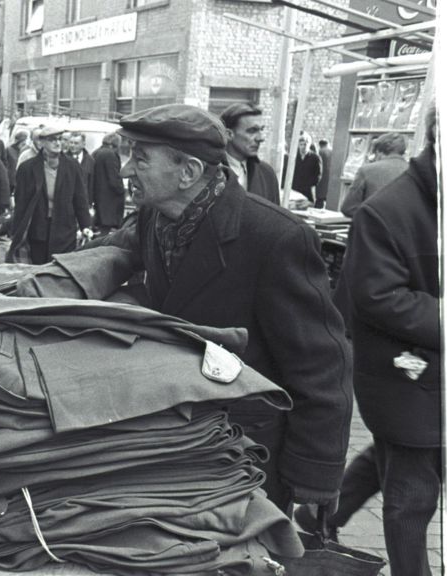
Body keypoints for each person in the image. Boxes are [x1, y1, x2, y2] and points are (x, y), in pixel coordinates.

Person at [104, 104, 352, 514]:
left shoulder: (276, 238)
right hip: (179, 443)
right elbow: (118, 261)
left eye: (140, 159)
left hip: (247, 453)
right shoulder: (155, 217)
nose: (126, 171)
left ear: (188, 173)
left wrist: (315, 479)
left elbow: (323, 365)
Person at [341, 107, 439, 576]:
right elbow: (377, 296)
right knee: (413, 494)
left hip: (425, 376)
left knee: (391, 457)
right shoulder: (387, 211)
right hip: (402, 373)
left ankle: (319, 515)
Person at [10, 126, 92, 265]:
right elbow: (21, 203)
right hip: (38, 230)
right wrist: (17, 231)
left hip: (64, 230)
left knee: (60, 272)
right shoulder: (27, 168)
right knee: (38, 270)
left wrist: (85, 226)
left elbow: (80, 199)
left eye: (59, 139)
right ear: (41, 143)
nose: (57, 143)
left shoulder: (72, 166)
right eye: (52, 140)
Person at [219, 102, 279, 205]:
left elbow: (276, 218)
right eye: (252, 131)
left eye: (261, 130)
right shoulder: (209, 171)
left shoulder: (267, 174)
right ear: (229, 134)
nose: (260, 138)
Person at [340, 132, 408, 218]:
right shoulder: (413, 172)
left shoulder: (366, 170)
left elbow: (348, 208)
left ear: (378, 152)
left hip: (372, 228)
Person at [91, 132, 126, 231]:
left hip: (98, 198)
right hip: (109, 201)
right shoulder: (110, 155)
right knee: (105, 231)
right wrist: (121, 190)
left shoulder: (96, 152)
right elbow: (114, 179)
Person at [285, 130, 322, 206]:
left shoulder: (315, 158)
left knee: (307, 206)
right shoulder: (294, 157)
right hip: (295, 187)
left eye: (305, 144)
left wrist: (310, 183)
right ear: (298, 145)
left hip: (307, 189)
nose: (303, 147)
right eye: (301, 144)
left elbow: (318, 174)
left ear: (309, 144)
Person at [69, 132, 95, 200]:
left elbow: (91, 184)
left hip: (83, 201)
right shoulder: (63, 159)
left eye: (76, 143)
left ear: (83, 145)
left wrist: (90, 202)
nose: (72, 145)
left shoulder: (90, 161)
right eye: (71, 142)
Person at [6, 129, 27, 196]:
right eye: (23, 143)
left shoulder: (27, 150)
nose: (24, 144)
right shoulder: (8, 150)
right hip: (11, 182)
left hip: (24, 182)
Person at [316, 138, 333, 208]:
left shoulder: (320, 151)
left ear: (320, 145)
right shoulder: (332, 151)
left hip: (322, 177)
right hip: (331, 177)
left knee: (320, 197)